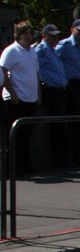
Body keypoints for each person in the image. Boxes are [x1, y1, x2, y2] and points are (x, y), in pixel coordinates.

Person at [1, 21, 40, 175]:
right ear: (18, 35)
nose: (28, 36)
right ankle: (12, 166)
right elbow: (4, 73)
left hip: (30, 97)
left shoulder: (32, 51)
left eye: (30, 33)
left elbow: (36, 74)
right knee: (16, 134)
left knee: (26, 134)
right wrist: (13, 94)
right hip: (17, 98)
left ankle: (25, 164)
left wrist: (39, 94)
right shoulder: (11, 51)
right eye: (25, 33)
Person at [56, 18, 80, 165]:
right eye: (79, 30)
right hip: (70, 86)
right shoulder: (64, 45)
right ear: (72, 29)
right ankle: (75, 156)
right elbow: (53, 61)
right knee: (74, 122)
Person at [36, 23, 70, 170]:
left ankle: (62, 159)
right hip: (51, 91)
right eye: (52, 36)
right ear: (44, 36)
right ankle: (59, 161)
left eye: (57, 35)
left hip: (61, 90)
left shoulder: (53, 50)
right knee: (58, 126)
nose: (56, 38)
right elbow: (35, 70)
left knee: (62, 126)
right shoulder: (40, 50)